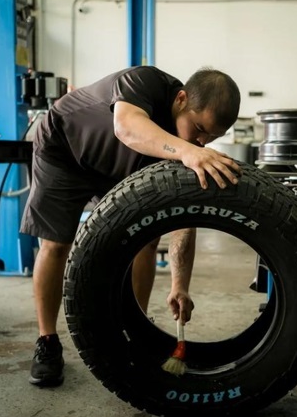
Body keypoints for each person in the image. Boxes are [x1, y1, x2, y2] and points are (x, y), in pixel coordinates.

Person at [20, 66, 242, 387]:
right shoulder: (144, 82)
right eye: (198, 128)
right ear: (181, 99)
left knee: (145, 240)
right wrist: (188, 151)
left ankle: (135, 332)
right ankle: (48, 342)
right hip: (65, 150)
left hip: (118, 169)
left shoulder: (187, 145)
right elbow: (126, 127)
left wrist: (180, 285)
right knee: (56, 243)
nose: (202, 141)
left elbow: (183, 219)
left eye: (212, 137)